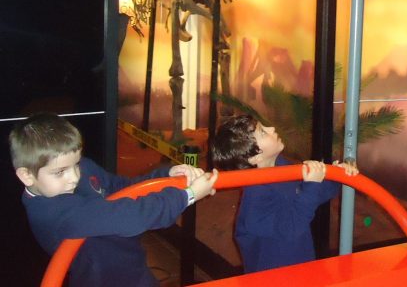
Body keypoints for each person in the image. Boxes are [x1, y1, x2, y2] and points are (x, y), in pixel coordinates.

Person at [9, 112, 218, 287]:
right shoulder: (54, 213)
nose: (74, 177)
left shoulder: (76, 170)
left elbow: (122, 187)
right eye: (60, 172)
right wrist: (188, 195)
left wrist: (167, 176)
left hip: (134, 272)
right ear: (27, 176)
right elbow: (131, 216)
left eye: (76, 164)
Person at [210, 114, 358, 273]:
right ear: (255, 157)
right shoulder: (255, 196)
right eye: (263, 132)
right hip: (273, 278)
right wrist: (312, 184)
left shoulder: (282, 167)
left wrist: (336, 176)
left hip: (301, 269)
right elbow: (292, 226)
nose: (272, 128)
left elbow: (313, 195)